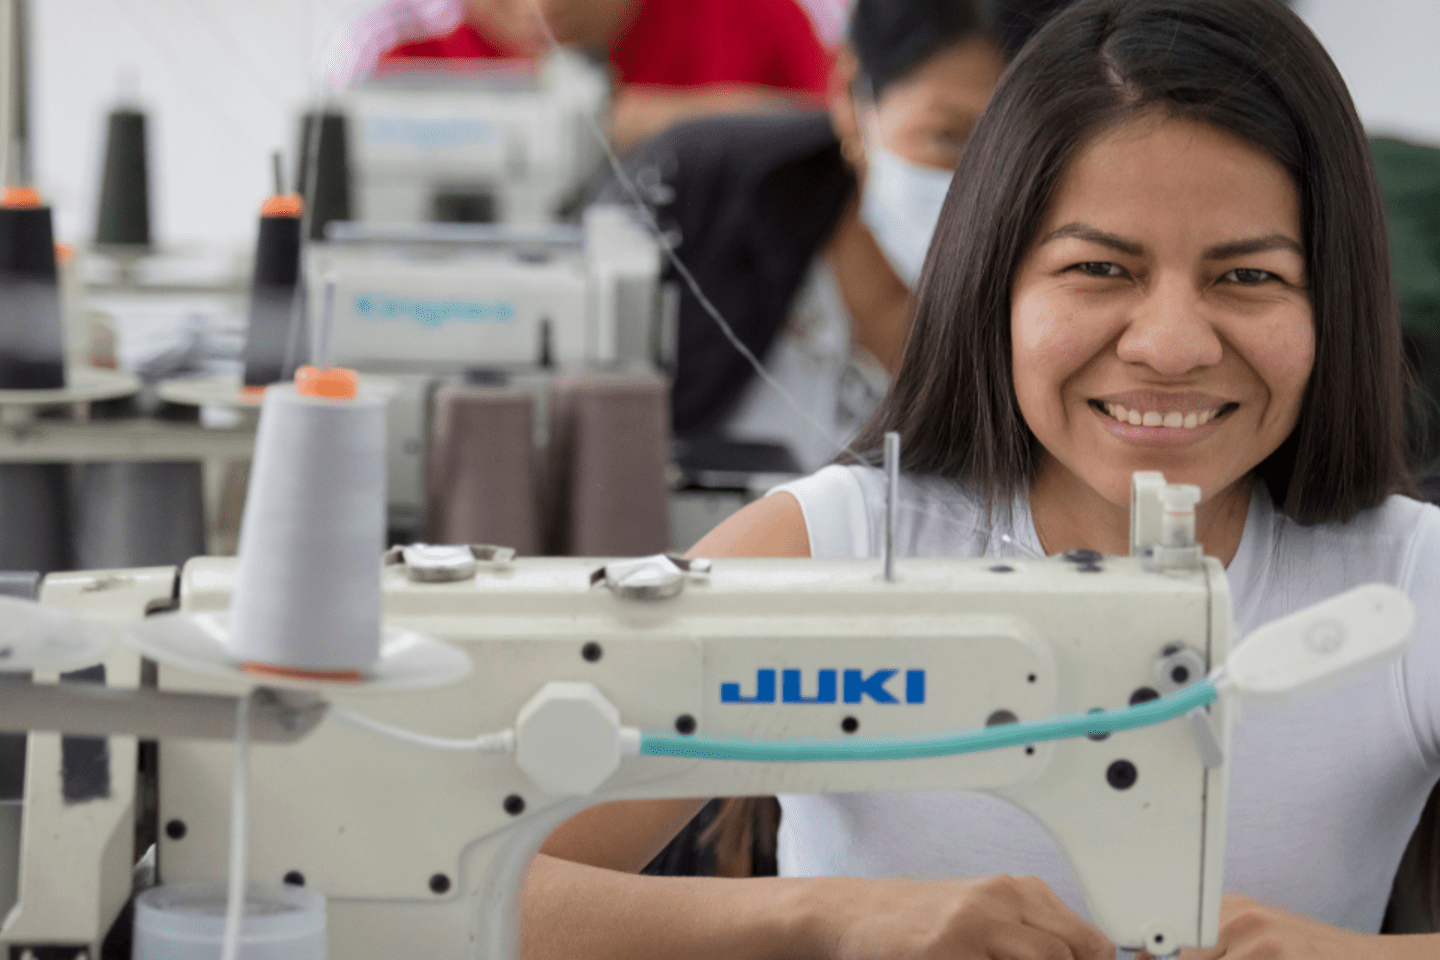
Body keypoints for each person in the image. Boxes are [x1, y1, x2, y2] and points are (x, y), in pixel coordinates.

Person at [522, 1, 1440, 958]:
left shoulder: (1408, 585)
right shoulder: (825, 555)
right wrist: (826, 919)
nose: (1171, 346)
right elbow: (444, 891)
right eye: (1098, 268)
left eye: (1248, 278)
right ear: (994, 281)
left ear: (1333, 297)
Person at [604, 0, 1069, 474]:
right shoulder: (696, 199)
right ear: (851, 95)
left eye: (1025, 152)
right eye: (947, 137)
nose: (985, 186)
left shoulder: (1077, 304)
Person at [374, 0, 835, 151]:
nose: (545, 6)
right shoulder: (404, 62)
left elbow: (845, 133)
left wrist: (645, 125)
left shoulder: (757, 23)